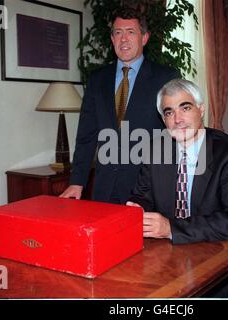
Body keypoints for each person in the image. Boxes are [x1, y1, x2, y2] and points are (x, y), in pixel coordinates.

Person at [127, 79, 228, 297]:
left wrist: (171, 228)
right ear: (163, 119)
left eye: (185, 108)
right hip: (170, 260)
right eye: (169, 112)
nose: (178, 119)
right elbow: (143, 195)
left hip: (227, 274)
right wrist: (137, 208)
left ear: (201, 109)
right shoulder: (154, 150)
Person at [60, 6, 180, 203]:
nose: (124, 39)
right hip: (105, 189)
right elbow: (86, 135)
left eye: (131, 32)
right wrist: (77, 181)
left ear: (144, 38)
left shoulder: (166, 78)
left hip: (149, 190)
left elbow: (175, 135)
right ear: (112, 39)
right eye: (118, 32)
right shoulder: (97, 79)